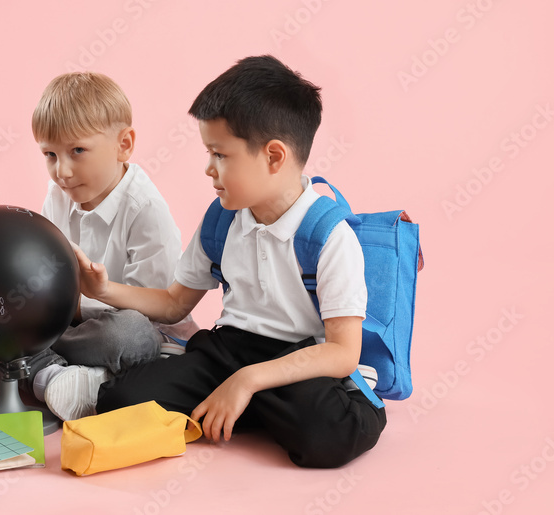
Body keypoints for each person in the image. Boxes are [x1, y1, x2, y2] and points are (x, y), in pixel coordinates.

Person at [74, 55, 386, 468]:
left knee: (329, 435)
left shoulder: (328, 236)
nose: (208, 169)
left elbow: (343, 352)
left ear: (274, 156)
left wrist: (248, 380)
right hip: (229, 349)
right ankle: (249, 408)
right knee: (119, 400)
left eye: (219, 154)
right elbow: (174, 304)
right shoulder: (222, 219)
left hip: (299, 360)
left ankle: (247, 400)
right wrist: (104, 289)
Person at [27, 72, 197, 421]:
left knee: (128, 335)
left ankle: (41, 369)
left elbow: (156, 308)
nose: (63, 171)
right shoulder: (57, 194)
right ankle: (61, 375)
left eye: (78, 151)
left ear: (124, 145)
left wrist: (79, 304)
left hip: (144, 332)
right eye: (50, 155)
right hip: (74, 323)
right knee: (2, 314)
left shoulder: (145, 208)